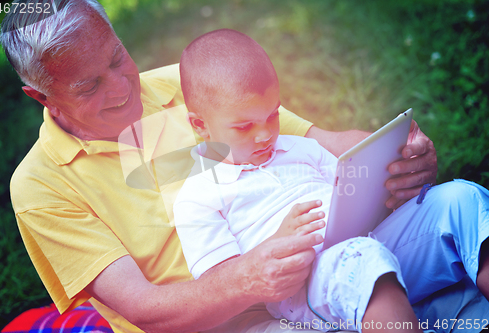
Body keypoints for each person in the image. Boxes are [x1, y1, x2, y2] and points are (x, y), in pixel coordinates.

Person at [0, 0, 486, 332]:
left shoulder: (189, 84)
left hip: (322, 254)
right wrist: (250, 278)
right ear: (41, 97)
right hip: (226, 323)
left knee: (462, 206)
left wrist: (400, 152)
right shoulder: (41, 186)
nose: (122, 88)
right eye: (89, 86)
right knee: (379, 283)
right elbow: (144, 311)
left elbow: (325, 143)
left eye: (117, 58)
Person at [174, 29, 423, 332]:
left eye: (272, 116)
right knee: (363, 259)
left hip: (368, 237)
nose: (265, 134)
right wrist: (278, 243)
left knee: (460, 200)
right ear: (201, 125)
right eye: (243, 127)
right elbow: (224, 286)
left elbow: (353, 190)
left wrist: (386, 174)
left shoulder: (301, 148)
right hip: (306, 284)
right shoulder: (198, 197)